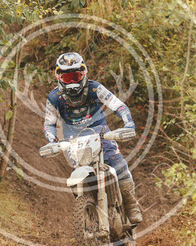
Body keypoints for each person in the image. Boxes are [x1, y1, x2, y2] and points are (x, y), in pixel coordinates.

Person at [43, 52, 143, 224]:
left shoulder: (95, 88)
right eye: (67, 78)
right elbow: (49, 123)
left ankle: (131, 205)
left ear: (83, 74)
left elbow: (118, 105)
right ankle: (89, 212)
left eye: (75, 76)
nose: (72, 82)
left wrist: (129, 124)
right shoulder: (54, 97)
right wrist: (52, 141)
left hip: (101, 134)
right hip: (74, 140)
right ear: (59, 77)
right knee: (77, 175)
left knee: (119, 164)